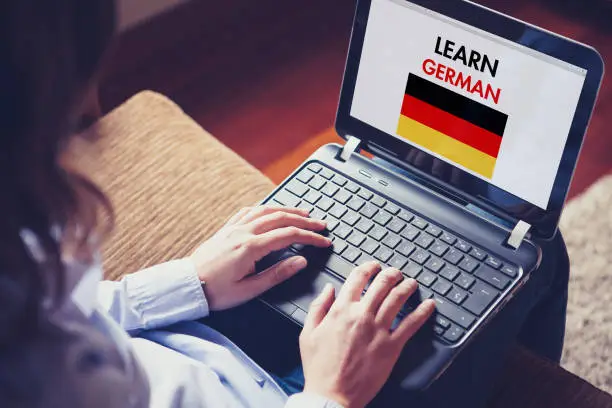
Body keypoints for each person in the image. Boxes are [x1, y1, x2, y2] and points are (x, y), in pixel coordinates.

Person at [0, 1, 570, 407]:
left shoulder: (19, 270)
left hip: (197, 345)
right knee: (537, 247)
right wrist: (330, 394)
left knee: (496, 222)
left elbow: (70, 313)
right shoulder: (36, 368)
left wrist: (187, 281)